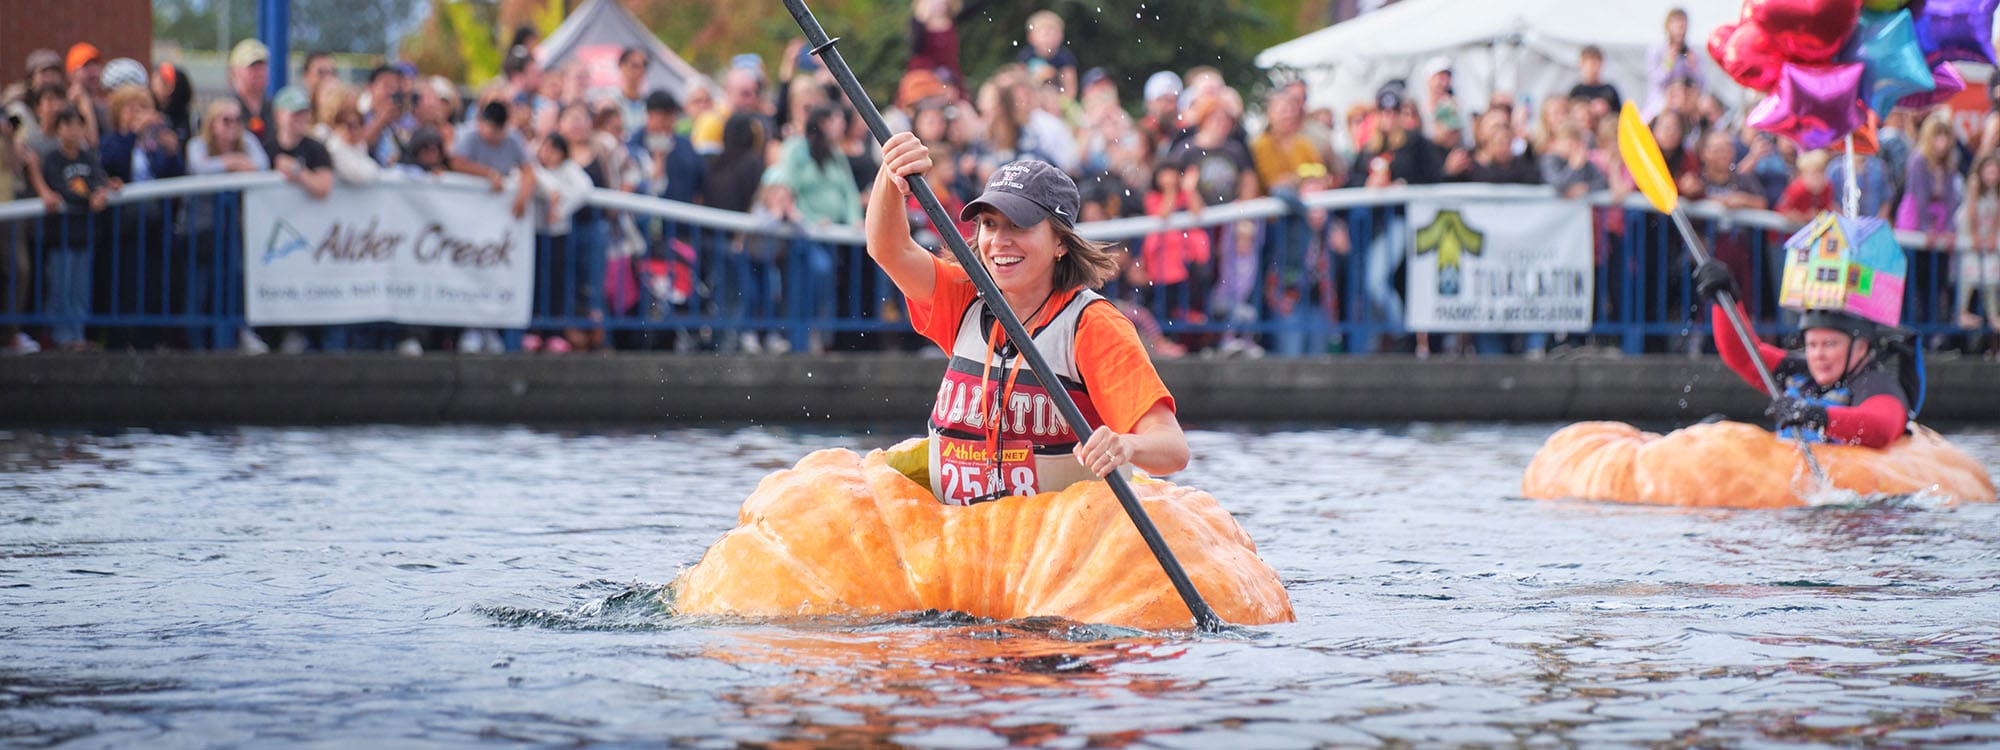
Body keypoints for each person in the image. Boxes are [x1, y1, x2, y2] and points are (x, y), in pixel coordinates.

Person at [868, 133, 1189, 505]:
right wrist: (892, 176)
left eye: (1018, 226)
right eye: (989, 224)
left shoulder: (1092, 325)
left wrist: (1126, 444)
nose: (999, 242)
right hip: (958, 537)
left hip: (1058, 544)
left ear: (1061, 243)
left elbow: (1172, 448)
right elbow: (888, 249)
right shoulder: (966, 295)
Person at [1694, 260, 1911, 449]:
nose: (1818, 355)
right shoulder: (1798, 371)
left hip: (1850, 480)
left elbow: (1882, 426)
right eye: (1812, 345)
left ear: (1861, 347)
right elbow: (1742, 356)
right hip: (1794, 470)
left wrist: (1816, 416)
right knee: (1714, 425)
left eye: (1830, 344)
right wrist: (1727, 300)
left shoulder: (1875, 383)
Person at [35, 107, 111, 352]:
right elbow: (59, 188)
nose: (73, 131)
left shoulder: (88, 157)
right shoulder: (53, 159)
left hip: (84, 236)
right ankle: (61, 336)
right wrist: (89, 198)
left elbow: (99, 179)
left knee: (80, 289)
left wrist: (102, 191)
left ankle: (77, 334)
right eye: (67, 125)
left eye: (78, 125)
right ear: (57, 130)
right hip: (61, 237)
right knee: (61, 286)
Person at [229, 39, 274, 144]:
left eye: (263, 66)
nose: (259, 72)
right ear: (235, 71)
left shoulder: (274, 109)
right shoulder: (226, 109)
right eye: (252, 66)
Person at [1568, 45, 1622, 123]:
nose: (1591, 68)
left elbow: (1619, 116)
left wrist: (1607, 110)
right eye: (1588, 63)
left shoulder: (1609, 90)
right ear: (1581, 64)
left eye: (1595, 63)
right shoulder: (1576, 90)